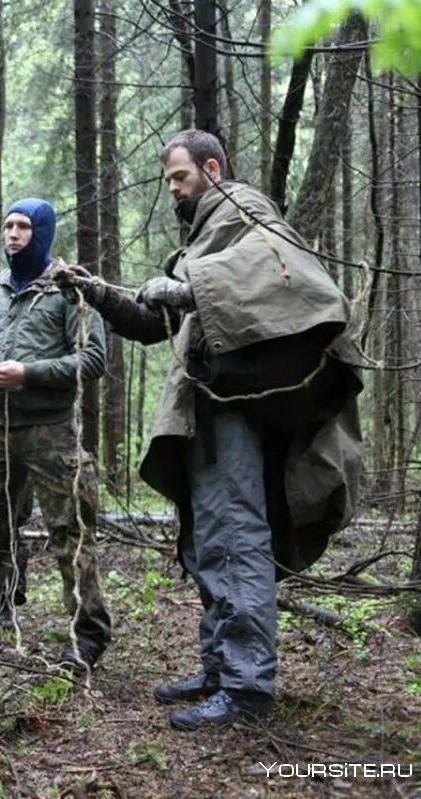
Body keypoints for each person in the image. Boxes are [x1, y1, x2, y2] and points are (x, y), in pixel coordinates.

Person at [54, 129, 362, 729]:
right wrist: (97, 291)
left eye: (180, 177)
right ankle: (220, 667)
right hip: (206, 413)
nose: (172, 190)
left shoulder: (245, 209)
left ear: (212, 168)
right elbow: (153, 320)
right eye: (168, 180)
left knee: (237, 539)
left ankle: (246, 689)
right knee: (205, 542)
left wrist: (191, 286)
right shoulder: (204, 235)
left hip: (238, 413)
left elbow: (284, 273)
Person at [0, 198, 113, 668]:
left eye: (23, 227)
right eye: (7, 226)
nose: (13, 235)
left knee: (70, 531)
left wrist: (28, 372)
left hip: (51, 431)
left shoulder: (70, 290)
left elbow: (93, 360)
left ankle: (87, 636)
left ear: (42, 233)